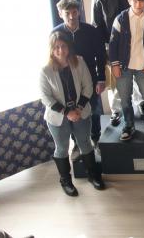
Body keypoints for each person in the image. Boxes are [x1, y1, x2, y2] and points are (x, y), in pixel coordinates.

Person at [40, 32, 105, 196]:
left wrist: (78, 109)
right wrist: (67, 112)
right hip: (58, 116)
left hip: (80, 112)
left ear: (68, 47)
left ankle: (93, 175)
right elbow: (45, 97)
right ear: (51, 49)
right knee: (62, 148)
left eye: (63, 46)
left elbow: (88, 86)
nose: (60, 50)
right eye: (56, 47)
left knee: (85, 143)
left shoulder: (79, 62)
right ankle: (66, 181)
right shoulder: (45, 70)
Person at [108, 0, 144, 141]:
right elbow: (113, 43)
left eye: (142, 1)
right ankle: (128, 126)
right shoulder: (121, 18)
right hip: (124, 66)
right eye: (135, 1)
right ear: (129, 1)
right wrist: (115, 65)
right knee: (125, 99)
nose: (138, 4)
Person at [52, 0, 106, 143]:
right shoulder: (56, 34)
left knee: (94, 109)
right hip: (67, 80)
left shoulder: (91, 30)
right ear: (60, 14)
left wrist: (101, 78)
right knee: (73, 111)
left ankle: (96, 138)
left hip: (91, 77)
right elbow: (52, 58)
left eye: (74, 12)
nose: (71, 16)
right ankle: (77, 142)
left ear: (79, 12)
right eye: (67, 13)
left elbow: (101, 55)